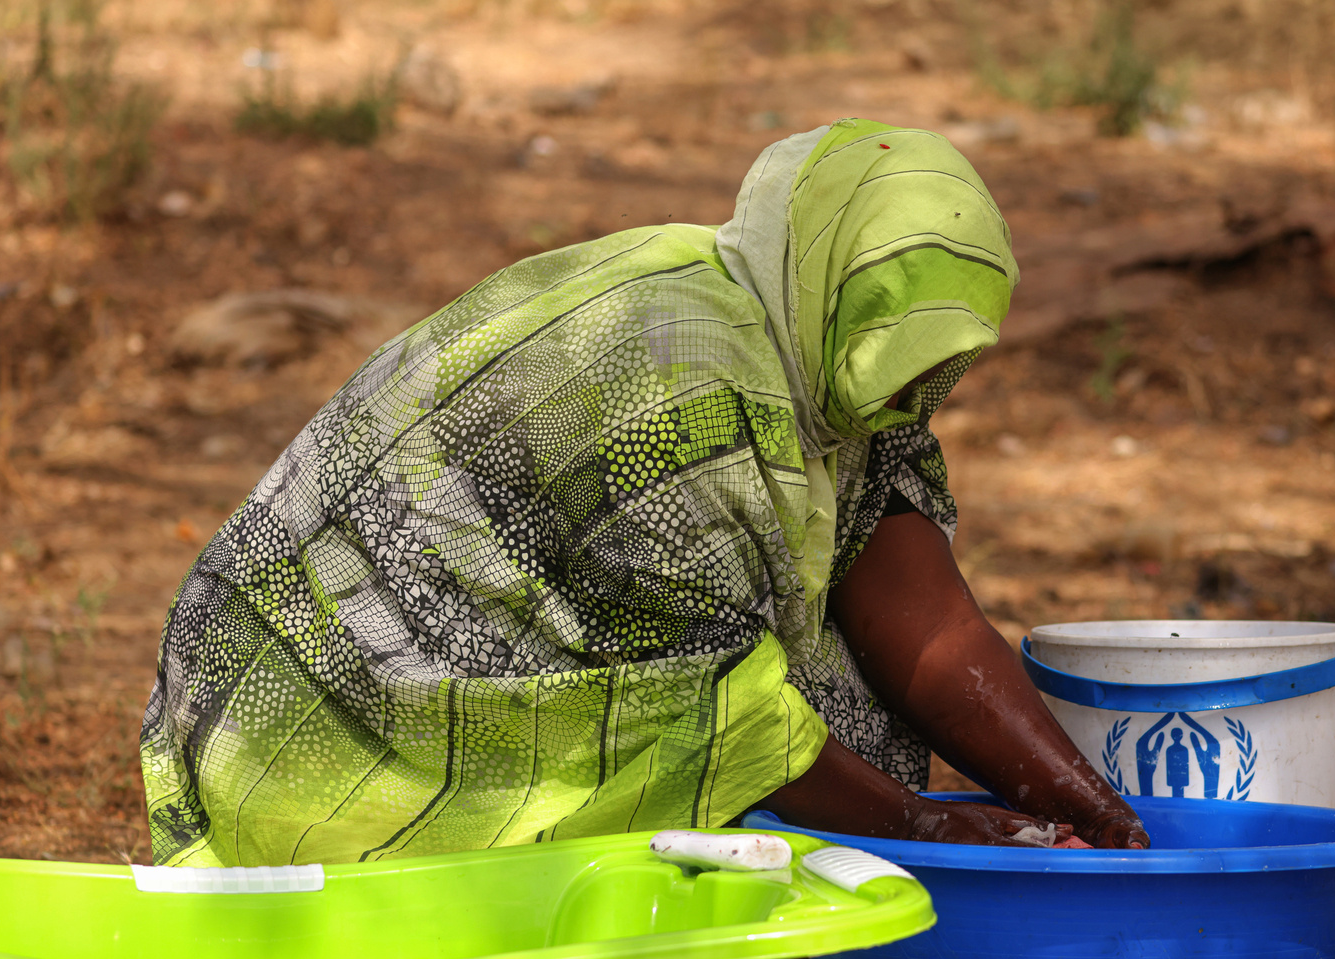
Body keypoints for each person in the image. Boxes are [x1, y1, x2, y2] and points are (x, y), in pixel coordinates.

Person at [140, 119, 1147, 868]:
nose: (913, 394)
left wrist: (1082, 802)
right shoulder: (689, 384)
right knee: (794, 761)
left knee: (847, 709)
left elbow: (924, 626)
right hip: (331, 709)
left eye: (943, 364)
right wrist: (926, 826)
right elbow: (716, 706)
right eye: (898, 347)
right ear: (830, 276)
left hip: (522, 646)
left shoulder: (832, 363)